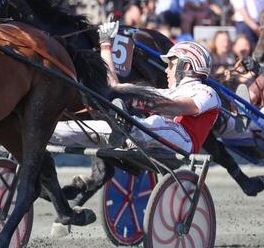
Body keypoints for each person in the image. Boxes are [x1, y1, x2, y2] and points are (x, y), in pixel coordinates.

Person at [51, 24, 220, 156]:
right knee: (95, 125)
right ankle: (49, 131)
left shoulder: (207, 92)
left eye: (171, 65)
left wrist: (141, 102)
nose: (166, 70)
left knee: (158, 123)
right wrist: (106, 45)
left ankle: (126, 125)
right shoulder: (166, 93)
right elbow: (115, 87)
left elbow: (180, 107)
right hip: (150, 133)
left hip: (184, 141)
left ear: (187, 66)